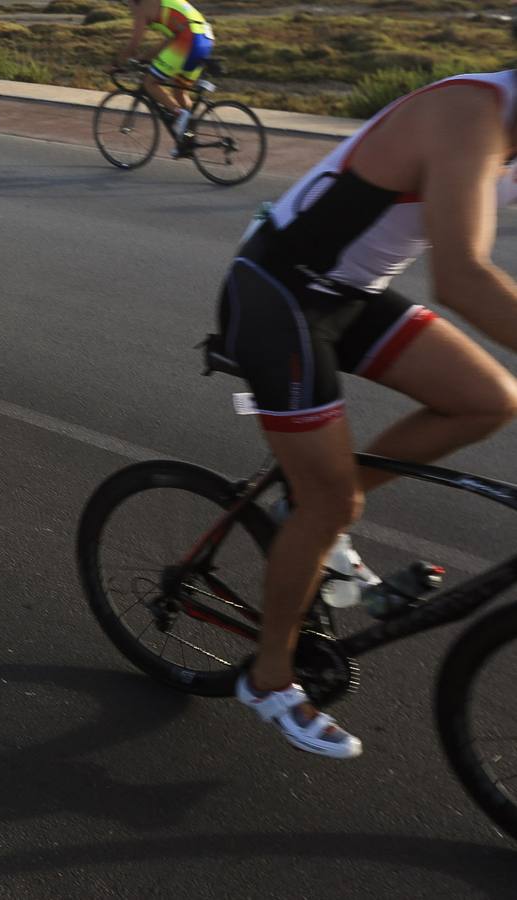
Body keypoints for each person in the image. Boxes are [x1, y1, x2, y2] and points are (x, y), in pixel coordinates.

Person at [212, 70, 517, 758]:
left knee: (489, 398)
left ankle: (305, 505)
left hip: (350, 293)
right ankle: (266, 679)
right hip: (278, 292)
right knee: (331, 503)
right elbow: (462, 275)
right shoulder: (470, 113)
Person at [114, 0, 214, 152]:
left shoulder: (142, 6)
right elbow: (169, 40)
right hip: (205, 39)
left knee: (149, 82)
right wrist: (144, 57)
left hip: (188, 38)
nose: (130, 8)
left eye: (128, 4)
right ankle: (187, 141)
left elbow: (134, 43)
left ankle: (178, 114)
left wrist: (115, 64)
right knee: (180, 92)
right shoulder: (166, 3)